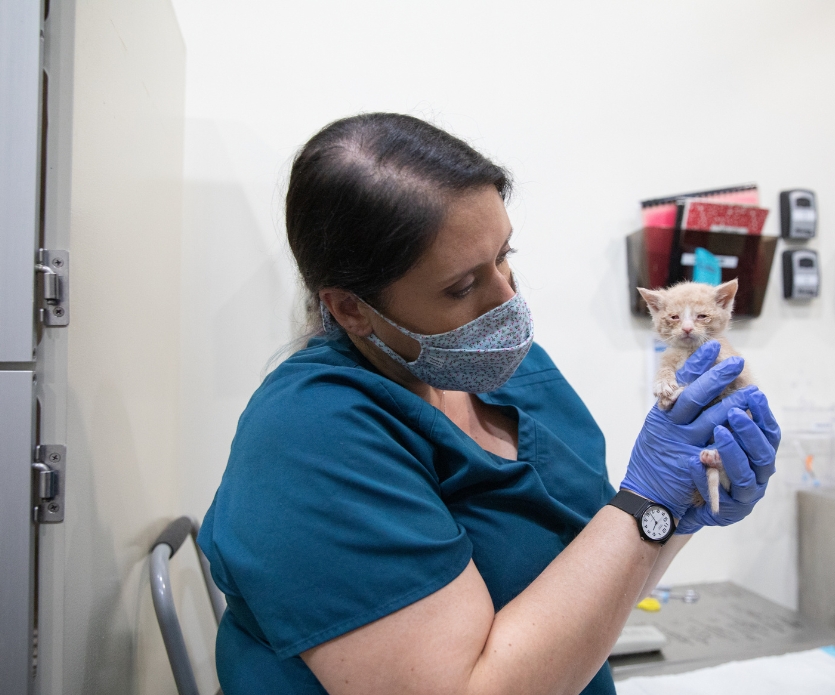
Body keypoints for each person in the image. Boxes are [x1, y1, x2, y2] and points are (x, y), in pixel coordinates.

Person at [197, 113, 780, 695]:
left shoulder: (516, 370)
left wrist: (676, 509)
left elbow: (603, 578)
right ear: (351, 309)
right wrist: (651, 497)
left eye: (505, 256)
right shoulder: (314, 437)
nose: (508, 302)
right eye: (461, 286)